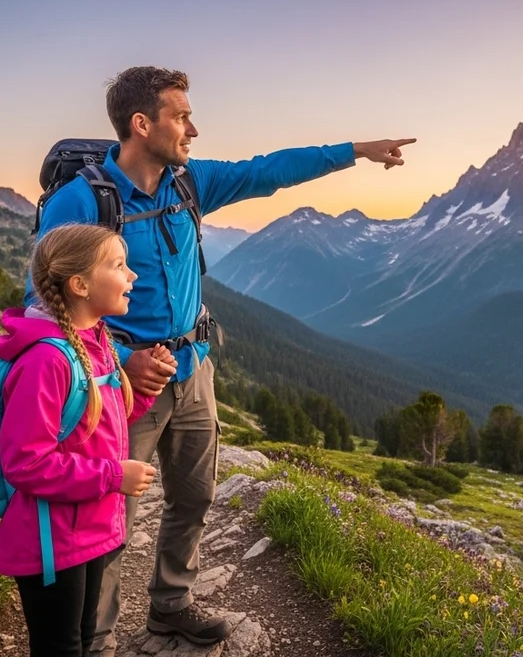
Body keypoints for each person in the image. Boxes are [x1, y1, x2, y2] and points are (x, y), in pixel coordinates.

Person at [31, 66, 415, 651]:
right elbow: (44, 308)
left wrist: (356, 151)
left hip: (193, 373)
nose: (194, 129)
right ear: (142, 124)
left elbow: (268, 171)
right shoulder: (80, 203)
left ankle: (171, 604)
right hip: (119, 388)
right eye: (181, 116)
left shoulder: (190, 183)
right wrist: (122, 361)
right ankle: (96, 641)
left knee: (195, 495)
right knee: (109, 520)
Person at [0, 223, 165, 656]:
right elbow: (26, 464)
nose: (133, 276)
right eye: (119, 266)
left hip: (89, 527)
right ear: (80, 284)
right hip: (53, 539)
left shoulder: (97, 342)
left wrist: (141, 394)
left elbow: (93, 427)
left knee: (84, 640)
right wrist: (113, 476)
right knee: (62, 647)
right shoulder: (47, 360)